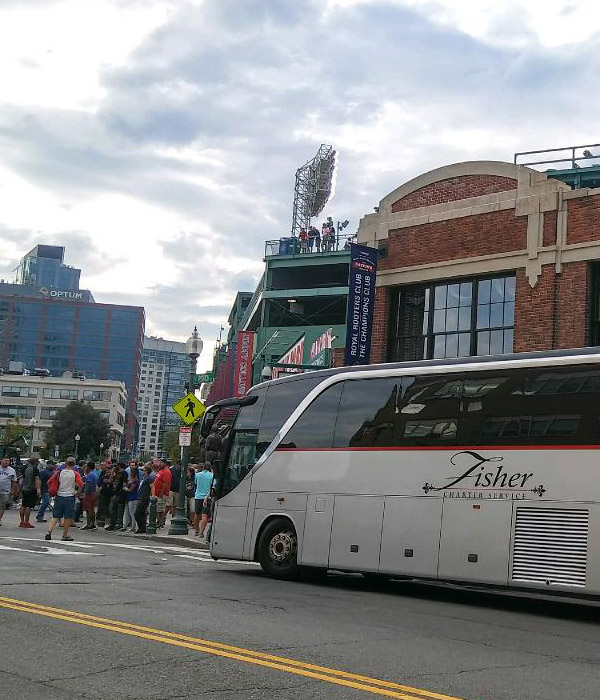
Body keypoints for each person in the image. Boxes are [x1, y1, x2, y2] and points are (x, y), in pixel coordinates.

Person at [45, 458, 82, 541]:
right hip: (69, 496)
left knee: (56, 516)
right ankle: (64, 535)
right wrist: (77, 493)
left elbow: (49, 481)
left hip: (59, 495)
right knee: (67, 517)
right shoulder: (75, 473)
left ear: (66, 463)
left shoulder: (59, 472)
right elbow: (80, 484)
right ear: (74, 464)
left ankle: (49, 532)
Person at [193, 463, 213, 538]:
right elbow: (212, 488)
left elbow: (196, 483)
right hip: (207, 498)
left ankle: (196, 530)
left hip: (198, 496)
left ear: (203, 467)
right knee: (204, 515)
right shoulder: (211, 475)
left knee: (197, 513)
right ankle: (201, 532)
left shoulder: (197, 475)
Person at [19, 457, 40, 528]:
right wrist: (38, 489)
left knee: (23, 505)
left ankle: (22, 521)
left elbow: (23, 480)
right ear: (35, 462)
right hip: (31, 489)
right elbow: (37, 479)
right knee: (29, 506)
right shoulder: (35, 469)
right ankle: (26, 521)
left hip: (25, 489)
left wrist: (20, 489)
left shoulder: (26, 469)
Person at [106, 462, 126, 531]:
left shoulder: (124, 473)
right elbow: (110, 481)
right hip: (114, 493)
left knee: (119, 509)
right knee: (112, 509)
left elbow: (124, 483)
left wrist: (121, 491)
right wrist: (112, 472)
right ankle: (112, 524)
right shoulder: (117, 473)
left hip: (119, 494)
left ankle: (118, 524)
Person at [152, 461, 172, 528]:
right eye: (159, 462)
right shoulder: (160, 471)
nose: (159, 464)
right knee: (158, 509)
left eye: (161, 463)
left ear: (165, 464)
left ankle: (160, 522)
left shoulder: (166, 472)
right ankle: (159, 521)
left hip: (162, 494)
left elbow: (165, 483)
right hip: (156, 493)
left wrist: (162, 492)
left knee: (160, 509)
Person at [134, 465, 152, 534]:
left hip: (144, 498)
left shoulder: (149, 479)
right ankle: (141, 527)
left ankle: (142, 527)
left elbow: (152, 487)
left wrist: (152, 495)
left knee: (137, 513)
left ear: (146, 471)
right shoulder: (143, 479)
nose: (142, 472)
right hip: (140, 497)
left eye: (143, 470)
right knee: (141, 514)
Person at [0, 457, 18, 527]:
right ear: (1, 461)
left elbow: (14, 481)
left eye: (8, 461)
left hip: (5, 491)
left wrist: (13, 490)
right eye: (5, 461)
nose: (6, 462)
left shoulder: (11, 470)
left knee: (2, 506)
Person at [81, 462, 98, 530]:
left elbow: (88, 485)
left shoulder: (90, 475)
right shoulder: (95, 473)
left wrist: (85, 493)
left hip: (89, 494)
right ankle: (93, 523)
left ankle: (88, 524)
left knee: (88, 509)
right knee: (92, 509)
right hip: (94, 493)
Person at [122, 466, 139, 531]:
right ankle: (125, 525)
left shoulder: (135, 480)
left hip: (133, 498)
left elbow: (131, 489)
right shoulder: (131, 480)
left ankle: (133, 526)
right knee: (126, 512)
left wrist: (126, 489)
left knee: (132, 512)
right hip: (128, 498)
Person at [96, 463, 113, 528]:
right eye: (107, 470)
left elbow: (111, 482)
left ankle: (107, 522)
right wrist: (98, 493)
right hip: (102, 494)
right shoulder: (103, 477)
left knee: (108, 509)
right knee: (100, 508)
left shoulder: (113, 478)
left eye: (110, 470)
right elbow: (98, 484)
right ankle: (96, 522)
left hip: (110, 495)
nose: (108, 471)